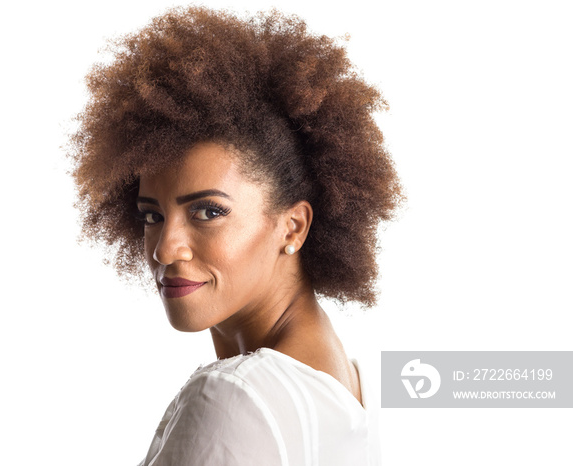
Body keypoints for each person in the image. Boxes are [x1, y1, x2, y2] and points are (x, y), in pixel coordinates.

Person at [68, 6, 402, 465]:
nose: (165, 248)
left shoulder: (235, 399)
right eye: (152, 216)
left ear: (294, 226)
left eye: (208, 211)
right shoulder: (349, 386)